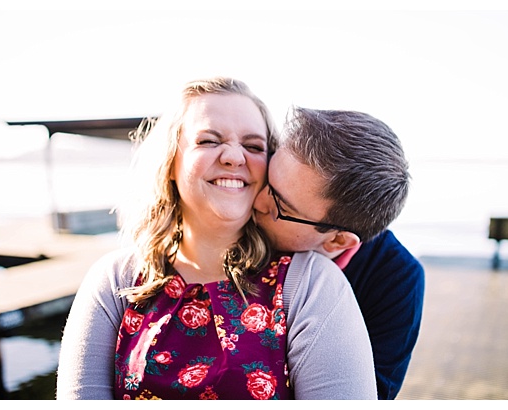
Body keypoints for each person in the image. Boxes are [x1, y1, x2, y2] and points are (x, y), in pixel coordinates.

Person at [56, 77, 376, 400]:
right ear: (170, 162)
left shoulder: (309, 286)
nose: (234, 157)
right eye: (209, 140)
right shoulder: (115, 282)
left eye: (253, 146)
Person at [250, 106, 423, 400]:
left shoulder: (397, 279)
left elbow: (369, 395)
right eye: (268, 177)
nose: (256, 200)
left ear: (337, 241)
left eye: (280, 206)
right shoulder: (238, 218)